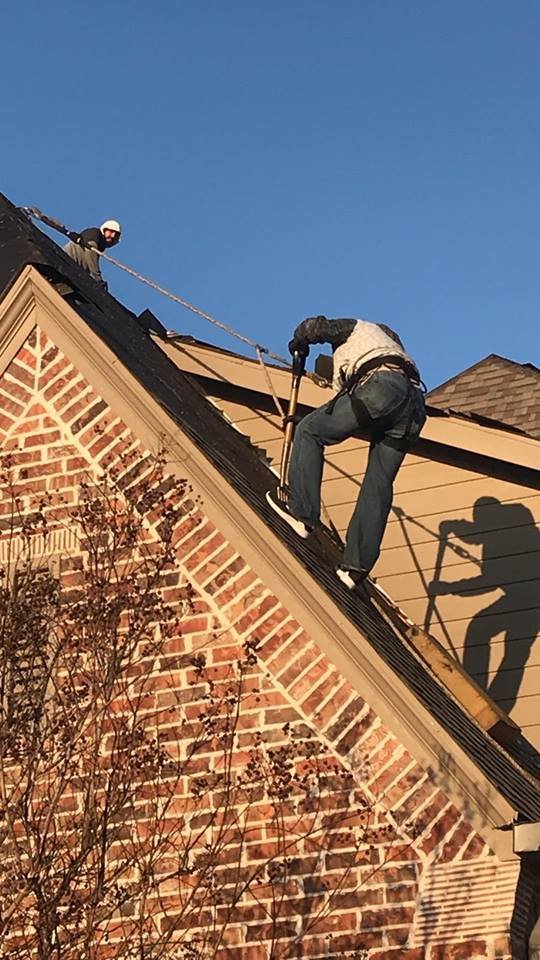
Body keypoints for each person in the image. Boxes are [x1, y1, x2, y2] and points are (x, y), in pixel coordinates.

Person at [266, 315, 426, 588]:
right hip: (414, 407)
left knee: (308, 432)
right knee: (379, 483)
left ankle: (302, 514)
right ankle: (355, 569)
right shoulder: (390, 351)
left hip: (382, 387)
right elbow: (342, 408)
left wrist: (300, 340)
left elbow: (317, 327)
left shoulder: (360, 329)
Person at [63, 220, 122, 288]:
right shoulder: (94, 233)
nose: (113, 236)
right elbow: (90, 251)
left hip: (73, 271)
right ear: (104, 230)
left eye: (116, 235)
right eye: (111, 232)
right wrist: (98, 278)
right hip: (65, 261)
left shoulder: (99, 248)